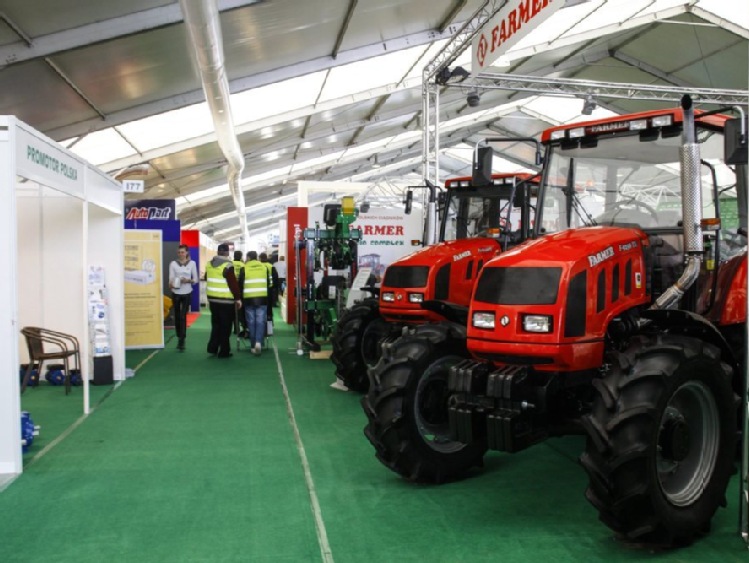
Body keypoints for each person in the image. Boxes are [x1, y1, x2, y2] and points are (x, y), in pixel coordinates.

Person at [206, 244, 243, 358]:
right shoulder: (227, 265)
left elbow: (206, 277)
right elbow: (232, 283)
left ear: (218, 252)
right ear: (227, 253)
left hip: (212, 299)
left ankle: (212, 348)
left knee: (216, 324)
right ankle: (224, 351)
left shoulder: (209, 264)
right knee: (225, 327)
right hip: (225, 300)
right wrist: (237, 298)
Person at [169, 244, 198, 351]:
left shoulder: (192, 263)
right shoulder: (173, 264)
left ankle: (182, 339)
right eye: (179, 252)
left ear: (187, 253)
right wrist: (172, 283)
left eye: (182, 252)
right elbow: (171, 278)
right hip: (176, 293)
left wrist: (188, 280)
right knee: (177, 315)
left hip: (187, 293)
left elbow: (196, 279)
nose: (181, 254)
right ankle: (179, 336)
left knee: (182, 316)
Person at [240, 251, 270, 355]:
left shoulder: (244, 268)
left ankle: (253, 345)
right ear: (256, 258)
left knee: (251, 322)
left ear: (248, 258)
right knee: (261, 321)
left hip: (248, 298)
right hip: (262, 298)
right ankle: (258, 342)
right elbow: (269, 283)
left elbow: (241, 284)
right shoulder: (264, 267)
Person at [259, 252, 276, 317]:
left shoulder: (259, 266)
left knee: (260, 308)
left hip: (260, 289)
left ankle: (261, 322)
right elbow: (275, 278)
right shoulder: (271, 266)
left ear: (260, 258)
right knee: (269, 308)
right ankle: (269, 325)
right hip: (269, 289)